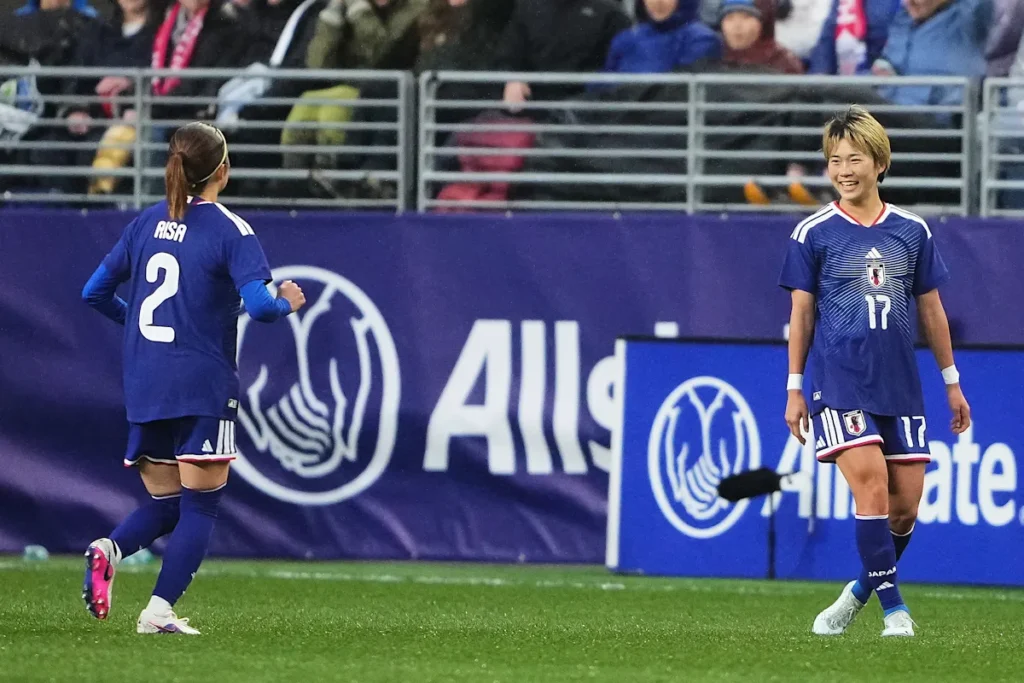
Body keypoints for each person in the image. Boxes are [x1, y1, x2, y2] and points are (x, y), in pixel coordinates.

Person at [80, 122, 306, 635]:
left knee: (167, 503)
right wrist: (288, 302)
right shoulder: (231, 230)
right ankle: (158, 612)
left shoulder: (145, 222)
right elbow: (261, 308)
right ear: (222, 171)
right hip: (201, 382)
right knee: (201, 505)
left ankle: (109, 548)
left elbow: (94, 291)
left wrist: (144, 331)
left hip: (146, 380)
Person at [778, 105, 971, 638]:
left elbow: (931, 310)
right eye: (834, 160)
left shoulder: (911, 230)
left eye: (854, 158)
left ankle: (856, 593)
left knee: (904, 511)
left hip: (900, 384)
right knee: (872, 490)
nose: (843, 169)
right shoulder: (812, 233)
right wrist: (795, 389)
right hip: (839, 380)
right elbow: (801, 313)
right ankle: (895, 611)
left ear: (879, 163)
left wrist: (952, 382)